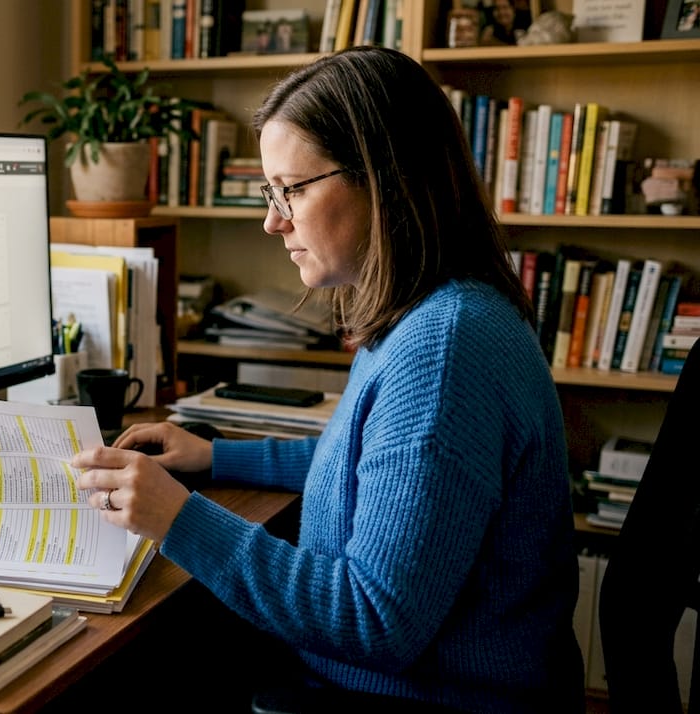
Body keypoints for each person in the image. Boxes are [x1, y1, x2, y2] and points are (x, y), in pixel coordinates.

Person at [71, 46, 583, 712]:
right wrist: (217, 455)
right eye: (270, 191)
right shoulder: (431, 312)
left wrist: (178, 518)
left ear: (388, 179)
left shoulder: (444, 348)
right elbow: (379, 471)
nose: (272, 220)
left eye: (294, 188)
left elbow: (375, 620)